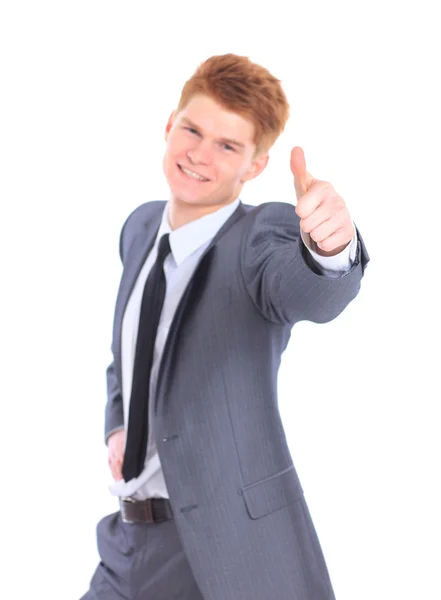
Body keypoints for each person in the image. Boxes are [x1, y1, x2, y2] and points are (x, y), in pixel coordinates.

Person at [81, 53, 369, 600]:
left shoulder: (259, 240)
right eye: (192, 129)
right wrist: (119, 426)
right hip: (126, 542)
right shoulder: (140, 227)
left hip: (224, 553)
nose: (198, 154)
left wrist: (330, 249)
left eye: (227, 145)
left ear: (254, 166)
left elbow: (309, 289)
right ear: (170, 125)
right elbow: (132, 353)